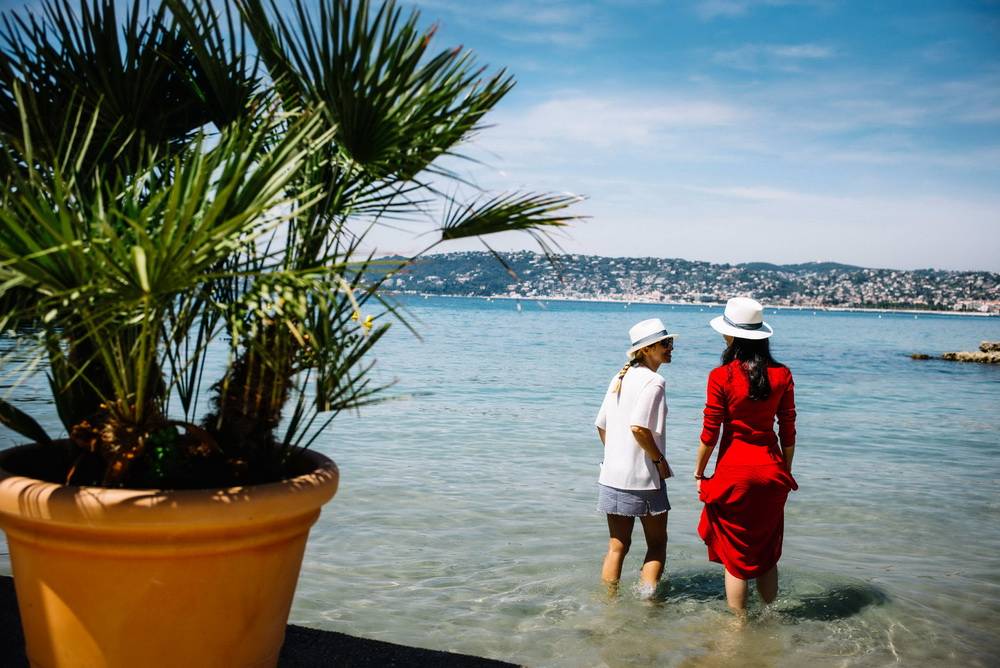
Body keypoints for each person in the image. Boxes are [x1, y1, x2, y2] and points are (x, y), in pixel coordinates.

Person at [694, 297, 797, 615]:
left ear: (732, 336)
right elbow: (788, 430)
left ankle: (738, 626)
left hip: (733, 473)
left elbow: (709, 432)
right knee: (766, 552)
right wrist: (784, 472)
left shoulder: (721, 376)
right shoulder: (782, 374)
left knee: (735, 559)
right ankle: (770, 618)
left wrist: (699, 473)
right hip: (772, 472)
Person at [594, 317, 676, 592]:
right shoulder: (655, 381)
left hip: (611, 475)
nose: (670, 348)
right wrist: (659, 460)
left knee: (617, 546)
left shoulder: (620, 376)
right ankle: (648, 603)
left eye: (670, 342)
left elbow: (601, 425)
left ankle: (608, 603)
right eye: (664, 344)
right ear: (646, 350)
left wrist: (618, 455)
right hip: (644, 479)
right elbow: (639, 428)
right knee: (657, 544)